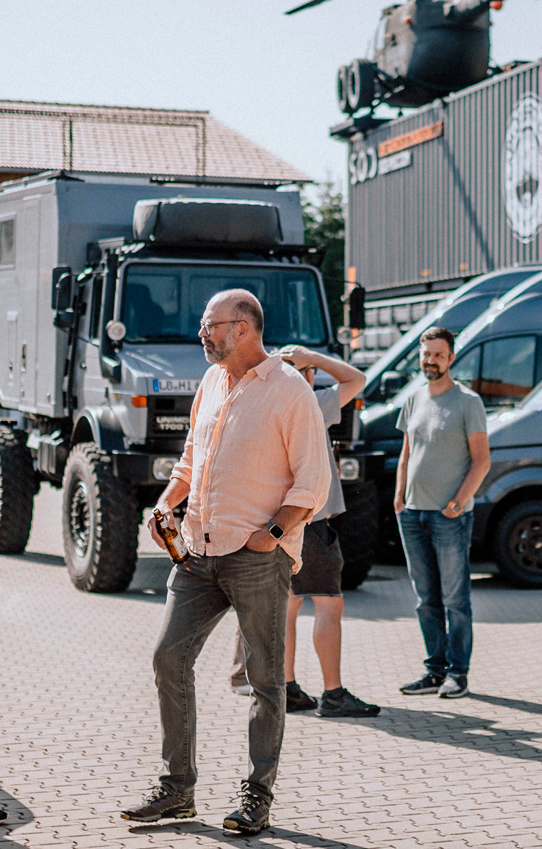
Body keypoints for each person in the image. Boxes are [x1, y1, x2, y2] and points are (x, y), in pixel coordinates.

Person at [120, 290, 331, 836]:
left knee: (265, 680)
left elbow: (313, 482)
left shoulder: (290, 391)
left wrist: (274, 534)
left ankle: (256, 796)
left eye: (209, 325)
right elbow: (191, 458)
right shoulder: (211, 383)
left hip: (257, 559)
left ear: (243, 328)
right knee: (169, 658)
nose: (202, 334)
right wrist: (168, 501)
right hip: (195, 553)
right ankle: (177, 789)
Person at [271, 346, 379, 719]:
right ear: (307, 375)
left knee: (287, 606)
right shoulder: (311, 404)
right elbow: (358, 379)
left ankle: (286, 689)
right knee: (330, 604)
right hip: (313, 522)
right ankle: (333, 694)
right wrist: (314, 357)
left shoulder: (269, 405)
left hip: (280, 522)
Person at [394, 327, 489, 700]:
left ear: (451, 359)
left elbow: (481, 462)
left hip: (449, 517)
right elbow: (406, 453)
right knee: (425, 600)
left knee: (455, 600)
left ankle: (458, 674)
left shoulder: (468, 402)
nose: (430, 361)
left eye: (438, 355)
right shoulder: (413, 399)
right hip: (412, 515)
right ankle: (434, 671)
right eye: (426, 354)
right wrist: (399, 498)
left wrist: (457, 503)